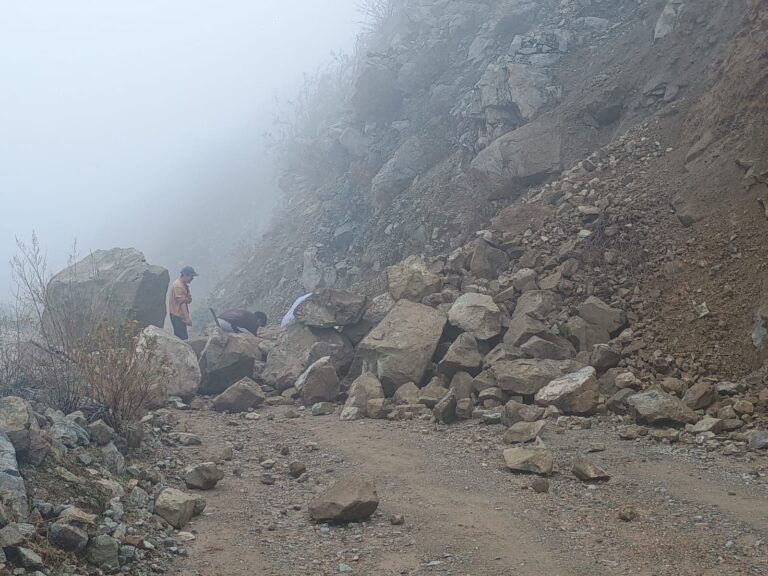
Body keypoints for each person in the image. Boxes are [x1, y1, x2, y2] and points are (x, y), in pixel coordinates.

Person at [168, 266, 197, 340]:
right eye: (191, 276)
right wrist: (187, 318)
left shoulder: (183, 285)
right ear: (185, 275)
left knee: (181, 337)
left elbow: (189, 300)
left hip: (179, 316)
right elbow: (182, 303)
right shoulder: (178, 286)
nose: (192, 278)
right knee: (182, 338)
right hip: (177, 316)